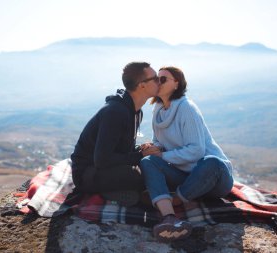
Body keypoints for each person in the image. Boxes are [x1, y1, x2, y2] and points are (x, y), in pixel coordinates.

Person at [140, 66, 234, 242]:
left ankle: (174, 200)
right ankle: (170, 218)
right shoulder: (159, 110)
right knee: (148, 161)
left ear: (177, 84)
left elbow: (197, 150)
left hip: (214, 178)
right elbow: (160, 140)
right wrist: (154, 148)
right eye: (156, 79)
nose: (157, 82)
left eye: (163, 79)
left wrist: (163, 156)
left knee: (211, 161)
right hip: (185, 176)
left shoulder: (187, 108)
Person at [70, 61, 160, 207]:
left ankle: (130, 192)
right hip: (87, 174)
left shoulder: (135, 111)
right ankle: (109, 194)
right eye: (155, 78)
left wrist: (141, 149)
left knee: (151, 166)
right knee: (138, 176)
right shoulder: (115, 112)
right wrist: (140, 156)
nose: (159, 82)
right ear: (142, 85)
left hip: (103, 168)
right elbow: (102, 160)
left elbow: (120, 149)